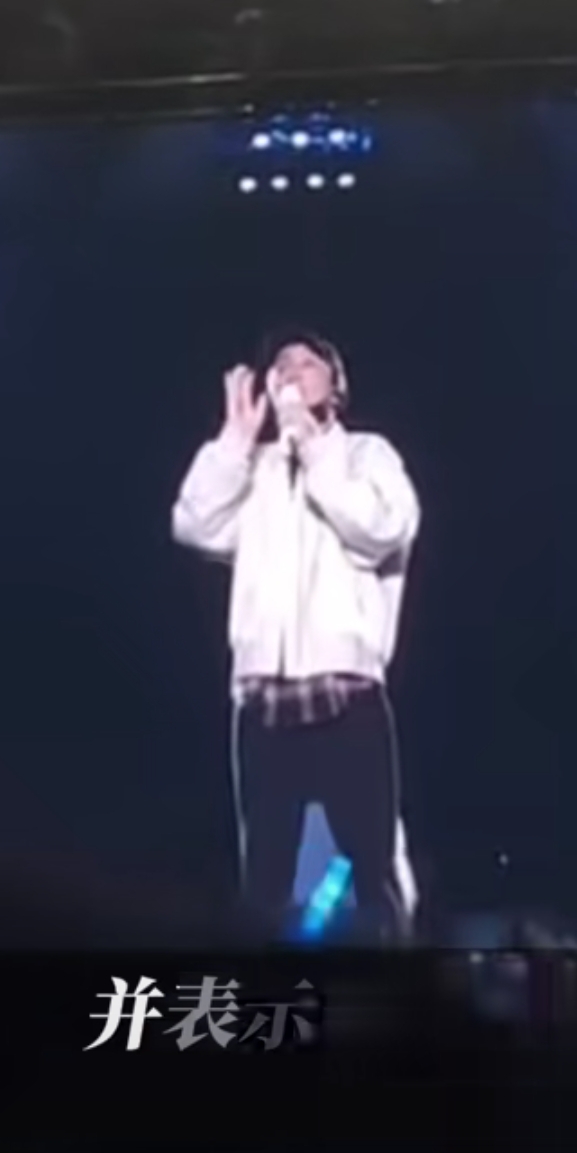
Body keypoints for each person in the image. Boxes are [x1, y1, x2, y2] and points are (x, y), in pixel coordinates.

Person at [172, 335, 420, 933]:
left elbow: (383, 528)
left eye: (308, 363)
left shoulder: (365, 455)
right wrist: (233, 441)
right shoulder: (256, 469)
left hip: (347, 693)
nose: (291, 371)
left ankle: (402, 971)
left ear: (336, 385)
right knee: (263, 884)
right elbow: (194, 524)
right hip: (263, 701)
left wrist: (313, 449)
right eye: (281, 364)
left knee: (374, 871)